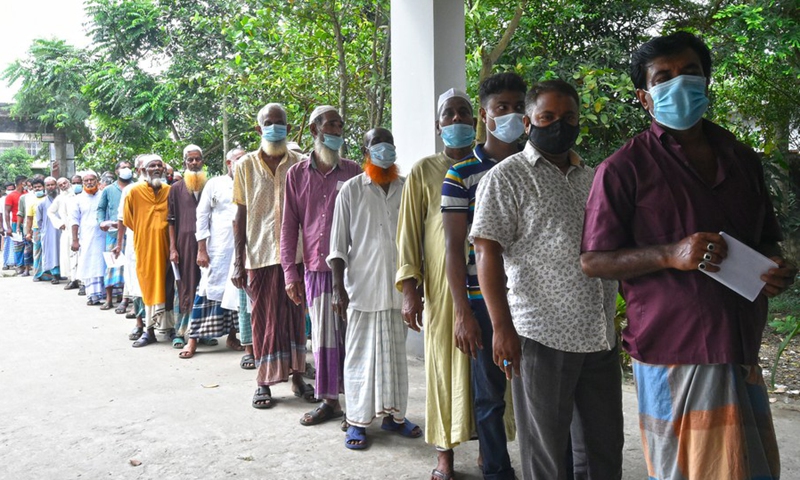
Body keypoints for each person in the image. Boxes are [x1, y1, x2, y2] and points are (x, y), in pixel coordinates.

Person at [580, 32, 796, 480]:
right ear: (645, 96)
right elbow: (593, 260)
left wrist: (775, 270)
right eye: (664, 77)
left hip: (739, 344)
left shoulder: (741, 158)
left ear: (707, 81)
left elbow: (766, 241)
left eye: (690, 72)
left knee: (748, 467)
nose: (680, 83)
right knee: (684, 471)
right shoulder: (624, 168)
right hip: (672, 350)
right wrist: (668, 254)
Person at [441, 73, 527, 480]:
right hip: (481, 301)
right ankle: (497, 470)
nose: (510, 115)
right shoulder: (461, 175)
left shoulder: (536, 167)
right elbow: (454, 250)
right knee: (490, 396)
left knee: (537, 394)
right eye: (501, 108)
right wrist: (462, 312)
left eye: (517, 107)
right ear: (486, 116)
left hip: (533, 299)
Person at [395, 88, 477, 480]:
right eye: (450, 114)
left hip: (488, 285)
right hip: (443, 293)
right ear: (438, 125)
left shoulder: (492, 166)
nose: (458, 120)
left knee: (488, 370)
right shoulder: (423, 170)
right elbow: (409, 234)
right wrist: (410, 289)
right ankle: (444, 452)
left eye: (464, 113)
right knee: (443, 369)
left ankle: (488, 444)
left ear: (476, 123)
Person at [327, 128, 421, 450]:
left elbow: (418, 241)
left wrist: (417, 289)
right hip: (362, 291)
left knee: (396, 358)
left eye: (388, 144)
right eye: (376, 145)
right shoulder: (351, 191)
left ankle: (394, 418)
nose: (384, 151)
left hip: (398, 291)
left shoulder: (408, 188)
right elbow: (337, 247)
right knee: (359, 360)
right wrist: (338, 289)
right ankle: (356, 421)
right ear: (365, 151)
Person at [281, 105, 361, 425]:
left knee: (352, 338)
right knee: (324, 340)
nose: (337, 131)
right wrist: (290, 272)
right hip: (315, 269)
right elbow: (289, 226)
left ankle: (356, 403)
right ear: (315, 131)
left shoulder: (353, 170)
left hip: (353, 270)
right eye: (331, 125)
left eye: (340, 125)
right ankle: (330, 401)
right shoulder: (297, 175)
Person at [231, 104, 315, 407]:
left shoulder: (302, 164)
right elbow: (239, 214)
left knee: (295, 317)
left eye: (280, 123)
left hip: (296, 254)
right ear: (258, 129)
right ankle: (264, 381)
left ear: (289, 129)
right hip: (259, 253)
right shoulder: (245, 166)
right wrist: (238, 261)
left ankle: (296, 378)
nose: (275, 127)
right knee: (263, 318)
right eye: (269, 123)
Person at [178, 148, 243, 358]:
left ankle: (233, 336)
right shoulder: (215, 184)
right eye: (238, 161)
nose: (242, 164)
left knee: (237, 292)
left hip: (242, 249)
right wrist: (202, 249)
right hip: (218, 249)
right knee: (205, 291)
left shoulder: (252, 182)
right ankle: (192, 341)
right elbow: (202, 216)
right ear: (228, 163)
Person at [124, 154, 176, 347]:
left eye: (159, 165)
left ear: (163, 169)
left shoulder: (170, 191)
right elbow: (128, 220)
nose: (156, 168)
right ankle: (149, 330)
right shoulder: (134, 191)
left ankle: (169, 329)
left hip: (168, 248)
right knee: (146, 287)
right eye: (152, 165)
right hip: (144, 247)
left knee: (168, 287)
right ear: (144, 170)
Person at [168, 145, 206, 349]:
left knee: (204, 287)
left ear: (202, 160)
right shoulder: (176, 188)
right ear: (184, 162)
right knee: (184, 287)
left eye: (197, 159)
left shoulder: (209, 186)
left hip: (206, 245)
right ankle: (180, 332)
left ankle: (202, 331)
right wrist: (173, 248)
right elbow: (171, 220)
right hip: (184, 245)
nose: (193, 163)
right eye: (190, 160)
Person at [97, 161, 132, 310]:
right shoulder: (109, 190)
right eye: (123, 167)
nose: (126, 170)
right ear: (117, 171)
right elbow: (100, 208)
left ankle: (125, 299)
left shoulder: (135, 188)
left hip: (131, 232)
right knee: (111, 264)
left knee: (129, 266)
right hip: (113, 232)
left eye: (128, 167)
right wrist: (101, 222)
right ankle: (109, 299)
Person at [71, 171, 107, 306]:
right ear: (82, 183)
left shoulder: (104, 195)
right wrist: (75, 240)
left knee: (103, 263)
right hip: (86, 237)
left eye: (92, 180)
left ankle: (107, 294)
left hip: (103, 236)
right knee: (89, 264)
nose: (89, 182)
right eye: (86, 181)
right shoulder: (78, 199)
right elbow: (74, 220)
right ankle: (92, 295)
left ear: (97, 181)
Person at [49, 174, 82, 290]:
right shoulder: (59, 198)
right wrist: (59, 223)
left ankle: (82, 280)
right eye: (60, 185)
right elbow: (50, 212)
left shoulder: (78, 195)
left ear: (69, 183)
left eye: (65, 183)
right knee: (70, 256)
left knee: (81, 256)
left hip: (81, 230)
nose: (63, 186)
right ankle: (73, 279)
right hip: (68, 231)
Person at [34, 177, 61, 283]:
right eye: (48, 185)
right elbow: (39, 220)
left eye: (52, 184)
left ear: (56, 186)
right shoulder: (42, 203)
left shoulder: (62, 200)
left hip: (62, 231)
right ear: (45, 187)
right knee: (51, 253)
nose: (50, 187)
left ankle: (61, 273)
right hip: (49, 232)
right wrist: (44, 230)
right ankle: (54, 274)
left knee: (61, 252)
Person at [24, 177, 47, 280]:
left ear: (43, 187)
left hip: (49, 229)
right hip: (37, 229)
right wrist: (28, 232)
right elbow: (29, 218)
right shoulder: (31, 201)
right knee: (37, 252)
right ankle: (37, 274)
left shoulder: (49, 199)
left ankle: (51, 273)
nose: (37, 189)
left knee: (49, 251)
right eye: (35, 187)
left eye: (39, 186)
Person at [5, 176, 26, 271]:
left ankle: (26, 265)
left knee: (27, 245)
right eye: (25, 182)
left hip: (26, 222)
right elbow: (6, 212)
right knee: (18, 245)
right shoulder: (11, 196)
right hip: (15, 223)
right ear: (22, 183)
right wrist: (9, 227)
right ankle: (19, 265)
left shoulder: (27, 194)